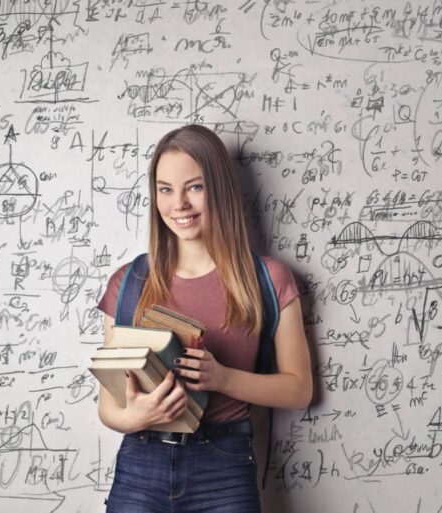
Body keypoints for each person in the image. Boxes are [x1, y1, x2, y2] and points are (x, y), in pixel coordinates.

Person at [95, 124, 313, 513]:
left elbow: (299, 390)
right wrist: (137, 416)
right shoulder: (128, 282)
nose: (178, 204)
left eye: (194, 187)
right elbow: (108, 407)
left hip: (225, 469)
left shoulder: (269, 279)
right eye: (165, 189)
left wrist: (224, 378)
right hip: (140, 464)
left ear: (220, 190)